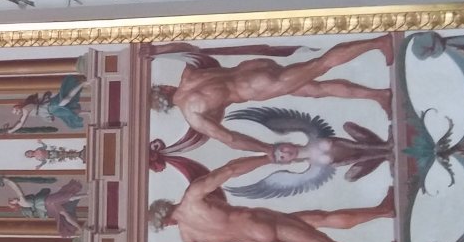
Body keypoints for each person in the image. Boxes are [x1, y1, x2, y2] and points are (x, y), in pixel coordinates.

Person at [148, 153, 398, 242]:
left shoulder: (188, 236)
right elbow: (230, 170)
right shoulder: (192, 196)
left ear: (166, 223)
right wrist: (268, 157)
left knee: (316, 219)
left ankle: (383, 211)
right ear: (165, 205)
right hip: (258, 224)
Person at [150, 36, 392, 156]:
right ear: (166, 89)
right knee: (316, 90)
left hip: (258, 87)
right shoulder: (189, 75)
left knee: (321, 64)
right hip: (253, 68)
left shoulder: (193, 114)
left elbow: (230, 139)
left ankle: (378, 42)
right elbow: (187, 49)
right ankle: (378, 95)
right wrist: (157, 50)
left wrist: (267, 149)